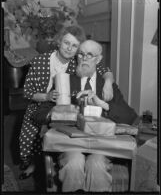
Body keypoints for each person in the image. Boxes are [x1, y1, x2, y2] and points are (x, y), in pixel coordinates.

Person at [33, 40, 139, 192]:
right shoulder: (65, 81)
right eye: (81, 54)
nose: (84, 58)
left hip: (101, 145)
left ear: (99, 59)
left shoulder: (107, 86)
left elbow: (130, 116)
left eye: (90, 55)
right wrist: (63, 111)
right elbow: (39, 114)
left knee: (96, 164)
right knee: (74, 162)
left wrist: (104, 105)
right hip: (70, 143)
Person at [19, 25, 114, 179]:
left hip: (67, 109)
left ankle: (57, 163)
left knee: (65, 136)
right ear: (59, 42)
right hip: (39, 105)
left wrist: (108, 82)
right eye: (66, 43)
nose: (70, 48)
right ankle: (33, 164)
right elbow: (27, 92)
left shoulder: (77, 62)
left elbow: (103, 69)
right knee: (29, 138)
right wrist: (47, 97)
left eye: (75, 45)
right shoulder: (39, 61)